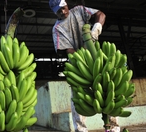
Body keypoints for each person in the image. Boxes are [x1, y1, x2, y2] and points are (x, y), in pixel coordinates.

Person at [49, 0, 120, 132]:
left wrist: (97, 27)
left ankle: (113, 127)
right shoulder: (57, 29)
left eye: (64, 8)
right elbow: (68, 50)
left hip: (97, 57)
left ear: (66, 4)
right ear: (54, 13)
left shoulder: (79, 11)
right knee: (79, 96)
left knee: (108, 90)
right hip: (77, 64)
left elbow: (101, 14)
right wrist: (84, 53)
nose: (63, 12)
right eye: (59, 11)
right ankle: (81, 129)